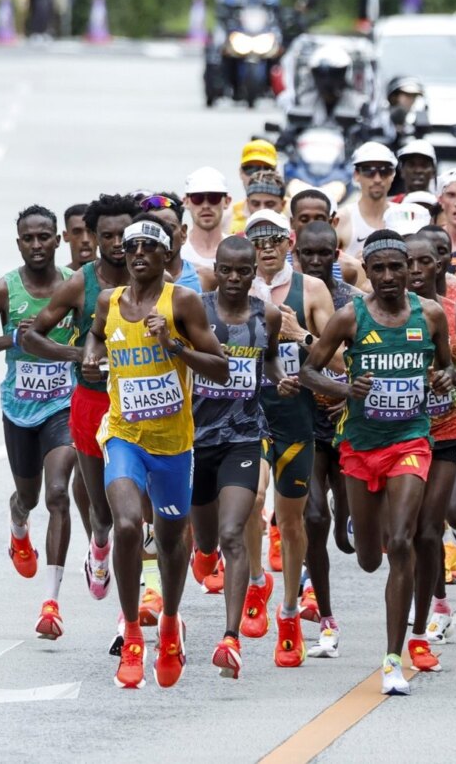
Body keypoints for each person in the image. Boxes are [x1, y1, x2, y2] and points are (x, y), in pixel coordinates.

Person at [299, 229, 454, 696]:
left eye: (397, 267)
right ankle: (364, 529)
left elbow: (448, 368)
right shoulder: (350, 317)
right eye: (379, 268)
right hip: (360, 446)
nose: (388, 276)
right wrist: (346, 391)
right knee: (368, 558)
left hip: (411, 440)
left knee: (403, 540)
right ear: (366, 271)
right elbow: (308, 370)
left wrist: (447, 378)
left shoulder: (430, 315)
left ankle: (393, 659)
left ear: (411, 269)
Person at [81, 216, 229, 689]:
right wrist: (89, 353)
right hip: (124, 434)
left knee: (170, 542)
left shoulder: (181, 301)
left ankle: (169, 621)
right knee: (126, 524)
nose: (138, 253)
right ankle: (131, 632)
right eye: (131, 247)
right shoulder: (109, 301)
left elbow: (220, 369)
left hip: (173, 445)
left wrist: (173, 344)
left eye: (149, 247)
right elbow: (97, 333)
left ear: (167, 256)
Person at [0, 205, 76, 641]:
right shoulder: (4, 290)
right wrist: (12, 338)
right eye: (28, 238)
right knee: (28, 496)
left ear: (57, 240)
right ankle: (18, 522)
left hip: (63, 405)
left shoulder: (73, 286)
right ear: (19, 243)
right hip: (19, 409)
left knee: (58, 493)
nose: (37, 245)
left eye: (44, 236)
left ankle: (51, 603)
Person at [23, 194, 138, 615]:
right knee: (104, 513)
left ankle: (144, 598)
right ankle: (100, 545)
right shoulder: (80, 283)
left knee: (139, 512)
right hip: (92, 403)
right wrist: (78, 356)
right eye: (105, 235)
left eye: (123, 235)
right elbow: (32, 335)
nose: (116, 243)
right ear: (93, 236)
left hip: (143, 407)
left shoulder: (154, 280)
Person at [189, 235, 296, 679]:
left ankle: (229, 639)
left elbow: (267, 361)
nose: (234, 279)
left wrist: (279, 379)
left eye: (243, 271)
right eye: (227, 270)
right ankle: (203, 551)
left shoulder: (265, 315)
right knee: (208, 541)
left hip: (243, 437)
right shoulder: (196, 310)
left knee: (235, 531)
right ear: (216, 268)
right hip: (193, 440)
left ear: (255, 273)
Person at [242, 210, 336, 665]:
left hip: (297, 418)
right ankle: (257, 580)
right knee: (250, 501)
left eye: (275, 238)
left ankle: (290, 611)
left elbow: (338, 365)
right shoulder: (233, 290)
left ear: (290, 241)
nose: (266, 247)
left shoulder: (311, 290)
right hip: (248, 415)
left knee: (292, 521)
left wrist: (303, 335)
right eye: (257, 238)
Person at [404, 233, 456, 655]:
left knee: (431, 527)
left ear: (440, 265)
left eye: (424, 262)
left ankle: (436, 606)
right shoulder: (383, 314)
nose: (415, 271)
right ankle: (429, 600)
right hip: (397, 432)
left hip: (447, 428)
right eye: (407, 263)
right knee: (405, 531)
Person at [294, 221, 362, 656]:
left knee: (346, 537)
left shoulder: (355, 304)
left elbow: (362, 365)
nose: (316, 261)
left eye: (324, 254)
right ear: (296, 254)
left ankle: (349, 516)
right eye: (308, 254)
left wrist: (344, 394)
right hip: (307, 421)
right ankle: (324, 613)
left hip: (348, 424)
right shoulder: (292, 298)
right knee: (314, 517)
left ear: (337, 255)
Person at [290, 188, 366, 289]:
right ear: (292, 223)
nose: (313, 224)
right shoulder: (278, 266)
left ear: (331, 222)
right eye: (304, 219)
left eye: (319, 219)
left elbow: (362, 302)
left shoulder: (351, 268)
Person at [336, 142, 397, 259]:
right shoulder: (342, 219)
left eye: (384, 171)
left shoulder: (401, 216)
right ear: (356, 175)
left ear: (392, 175)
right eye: (369, 171)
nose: (377, 179)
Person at [141, 193, 205, 294]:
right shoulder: (130, 282)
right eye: (155, 230)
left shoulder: (204, 278)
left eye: (169, 228)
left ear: (183, 233)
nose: (162, 236)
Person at [181, 166, 232, 269]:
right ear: (186, 202)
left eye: (214, 198)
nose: (206, 206)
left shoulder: (237, 250)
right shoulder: (177, 252)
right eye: (197, 198)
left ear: (227, 201)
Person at [229, 140, 280, 235]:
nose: (258, 174)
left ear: (276, 172)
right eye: (251, 169)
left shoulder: (292, 210)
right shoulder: (228, 216)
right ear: (240, 172)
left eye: (266, 169)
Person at [61, 204, 92, 270]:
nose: (85, 240)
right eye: (77, 232)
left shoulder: (117, 275)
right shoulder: (61, 279)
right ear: (65, 236)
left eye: (91, 231)